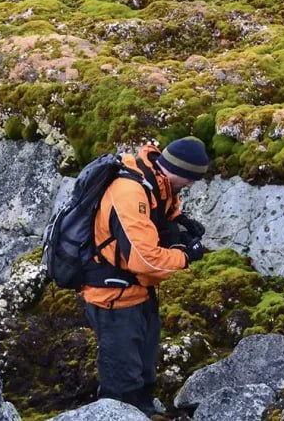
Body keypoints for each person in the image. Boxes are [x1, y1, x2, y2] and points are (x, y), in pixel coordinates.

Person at [81, 136, 211, 415]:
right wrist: (186, 257)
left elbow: (163, 216)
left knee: (144, 369)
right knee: (122, 379)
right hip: (112, 297)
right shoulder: (130, 192)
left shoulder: (157, 183)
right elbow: (144, 260)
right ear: (179, 171)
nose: (190, 186)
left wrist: (180, 226)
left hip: (139, 292)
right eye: (191, 180)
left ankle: (143, 409)